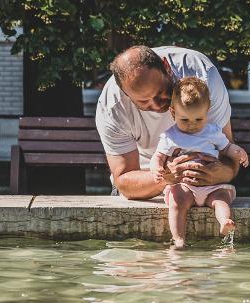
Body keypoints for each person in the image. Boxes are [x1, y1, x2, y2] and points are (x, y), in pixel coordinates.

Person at [96, 45, 239, 199]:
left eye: (160, 92)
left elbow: (228, 156)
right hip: (145, 184)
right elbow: (123, 181)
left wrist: (222, 173)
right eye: (143, 101)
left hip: (205, 184)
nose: (157, 105)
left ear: (167, 67)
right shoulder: (112, 106)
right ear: (125, 93)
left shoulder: (202, 75)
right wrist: (166, 177)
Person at [150, 77, 249, 248]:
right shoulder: (170, 136)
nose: (192, 125)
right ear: (173, 113)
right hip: (185, 186)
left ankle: (225, 221)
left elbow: (226, 148)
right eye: (185, 120)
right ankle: (179, 238)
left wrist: (238, 152)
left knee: (221, 199)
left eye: (198, 119)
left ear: (207, 111)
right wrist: (157, 168)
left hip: (212, 185)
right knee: (176, 203)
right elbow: (158, 156)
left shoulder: (212, 131)